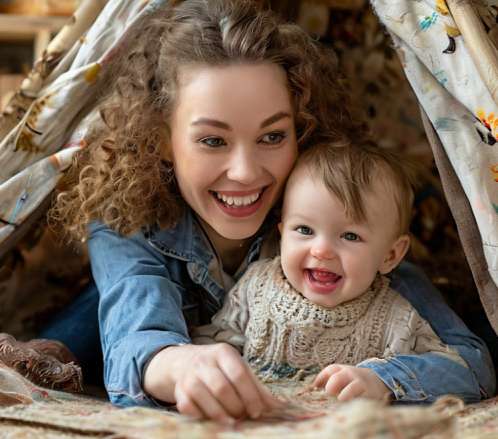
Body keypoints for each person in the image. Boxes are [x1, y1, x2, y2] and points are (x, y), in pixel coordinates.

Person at [44, 0, 495, 424]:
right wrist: (180, 365)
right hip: (149, 310)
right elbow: (135, 330)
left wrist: (387, 379)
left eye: (273, 136)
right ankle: (53, 351)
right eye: (213, 140)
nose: (244, 172)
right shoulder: (128, 223)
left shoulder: (327, 220)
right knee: (105, 297)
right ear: (161, 140)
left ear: (301, 129)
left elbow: (465, 357)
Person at [192, 141, 473, 403]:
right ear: (281, 236)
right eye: (304, 230)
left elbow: (462, 374)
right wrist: (214, 371)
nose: (321, 250)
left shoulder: (395, 319)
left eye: (350, 236)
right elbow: (218, 338)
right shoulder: (256, 286)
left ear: (390, 255)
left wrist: (382, 380)